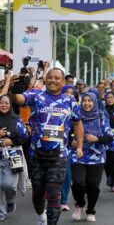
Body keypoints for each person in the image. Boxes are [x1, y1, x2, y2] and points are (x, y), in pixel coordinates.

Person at [12, 68, 84, 225]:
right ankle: (40, 214)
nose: (53, 80)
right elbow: (18, 99)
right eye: (50, 77)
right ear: (46, 80)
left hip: (59, 154)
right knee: (38, 193)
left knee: (53, 192)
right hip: (37, 153)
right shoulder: (36, 95)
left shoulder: (70, 101)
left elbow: (77, 124)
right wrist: (14, 87)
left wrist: (79, 146)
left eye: (57, 78)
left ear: (63, 82)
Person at [70, 92, 113, 222]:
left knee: (93, 185)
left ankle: (91, 211)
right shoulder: (75, 115)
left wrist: (97, 138)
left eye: (90, 101)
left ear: (95, 102)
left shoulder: (101, 116)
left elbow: (109, 137)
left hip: (97, 156)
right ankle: (80, 204)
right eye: (84, 100)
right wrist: (70, 141)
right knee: (78, 183)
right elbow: (65, 132)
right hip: (78, 154)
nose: (87, 103)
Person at [0, 95, 28, 221]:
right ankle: (0, 212)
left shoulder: (16, 119)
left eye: (6, 103)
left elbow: (24, 137)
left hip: (13, 155)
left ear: (10, 105)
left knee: (9, 185)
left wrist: (11, 141)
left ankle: (10, 199)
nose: (4, 105)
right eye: (1, 103)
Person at [60, 85, 79, 212]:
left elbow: (79, 127)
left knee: (67, 174)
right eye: (66, 92)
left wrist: (76, 141)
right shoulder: (55, 107)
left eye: (72, 93)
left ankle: (63, 201)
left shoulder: (77, 109)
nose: (69, 95)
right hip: (53, 146)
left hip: (69, 148)